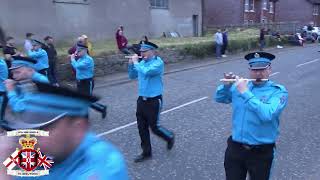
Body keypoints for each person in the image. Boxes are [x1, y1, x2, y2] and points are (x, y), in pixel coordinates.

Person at [0, 82, 129, 180]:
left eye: (42, 129)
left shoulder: (105, 163)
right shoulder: (47, 150)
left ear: (78, 128)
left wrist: (4, 170)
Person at [214, 52, 288, 180]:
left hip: (261, 152)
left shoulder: (278, 91)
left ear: (269, 69)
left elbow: (267, 114)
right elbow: (220, 98)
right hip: (236, 148)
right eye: (254, 70)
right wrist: (226, 86)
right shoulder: (242, 86)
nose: (258, 74)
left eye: (262, 69)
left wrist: (245, 92)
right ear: (250, 70)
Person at [128, 41, 175, 163]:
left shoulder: (158, 63)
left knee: (154, 127)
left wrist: (136, 62)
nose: (142, 53)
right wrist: (131, 65)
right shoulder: (142, 63)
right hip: (141, 100)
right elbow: (132, 76)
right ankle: (146, 152)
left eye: (145, 51)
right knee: (141, 127)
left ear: (152, 52)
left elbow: (147, 72)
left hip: (154, 100)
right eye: (141, 51)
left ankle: (169, 136)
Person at [70, 44, 107, 118]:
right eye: (77, 51)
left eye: (79, 51)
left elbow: (77, 66)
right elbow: (76, 67)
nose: (77, 53)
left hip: (87, 82)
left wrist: (72, 59)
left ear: (85, 50)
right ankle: (101, 108)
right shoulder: (80, 59)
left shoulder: (88, 59)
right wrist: (74, 59)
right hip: (80, 82)